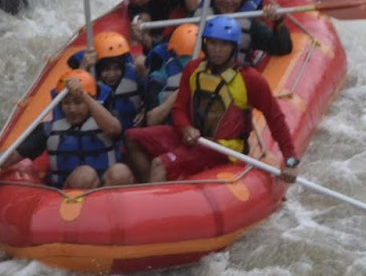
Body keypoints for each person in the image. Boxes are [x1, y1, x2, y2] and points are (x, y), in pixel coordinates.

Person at [122, 15, 301, 183]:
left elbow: (275, 118)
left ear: (234, 47)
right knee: (131, 137)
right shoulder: (193, 69)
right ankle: (152, 192)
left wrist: (290, 160)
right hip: (194, 138)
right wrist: (186, 128)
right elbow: (179, 109)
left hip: (224, 148)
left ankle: (156, 209)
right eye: (212, 43)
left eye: (224, 45)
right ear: (204, 44)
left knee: (160, 164)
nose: (216, 50)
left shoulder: (250, 79)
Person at [0, 70, 136, 189]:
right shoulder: (48, 128)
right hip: (66, 198)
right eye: (66, 103)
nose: (72, 109)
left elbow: (114, 130)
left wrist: (83, 94)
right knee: (85, 175)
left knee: (121, 172)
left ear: (90, 100)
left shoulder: (106, 117)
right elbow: (13, 156)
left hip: (104, 192)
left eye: (78, 102)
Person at [206, 0, 293, 62]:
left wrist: (278, 21)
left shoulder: (249, 24)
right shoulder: (201, 17)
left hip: (234, 74)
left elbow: (282, 48)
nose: (228, 0)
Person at [68, 31, 147, 128]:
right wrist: (83, 67)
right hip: (103, 135)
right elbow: (71, 93)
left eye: (116, 68)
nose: (112, 74)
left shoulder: (135, 74)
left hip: (131, 130)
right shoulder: (88, 75)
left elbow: (150, 96)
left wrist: (145, 110)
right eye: (106, 69)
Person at [141, 23, 197, 126]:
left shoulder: (211, 71)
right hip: (169, 129)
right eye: (184, 56)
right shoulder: (158, 77)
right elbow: (151, 119)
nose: (188, 61)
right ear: (173, 53)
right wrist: (183, 89)